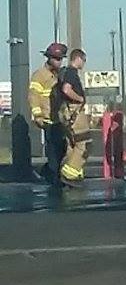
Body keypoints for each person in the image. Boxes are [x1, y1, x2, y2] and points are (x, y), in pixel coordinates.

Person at [29, 43, 68, 182]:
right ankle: (53, 179)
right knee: (53, 151)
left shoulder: (59, 75)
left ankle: (48, 173)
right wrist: (38, 115)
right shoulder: (39, 75)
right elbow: (34, 96)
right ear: (49, 58)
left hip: (59, 119)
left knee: (62, 150)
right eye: (57, 59)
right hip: (48, 120)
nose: (59, 61)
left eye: (61, 59)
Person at [56, 49, 90, 186]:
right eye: (84, 60)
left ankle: (71, 171)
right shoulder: (71, 72)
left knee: (72, 144)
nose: (84, 64)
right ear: (78, 59)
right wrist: (80, 98)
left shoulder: (64, 72)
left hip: (66, 113)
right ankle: (70, 174)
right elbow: (66, 89)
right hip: (74, 111)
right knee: (84, 143)